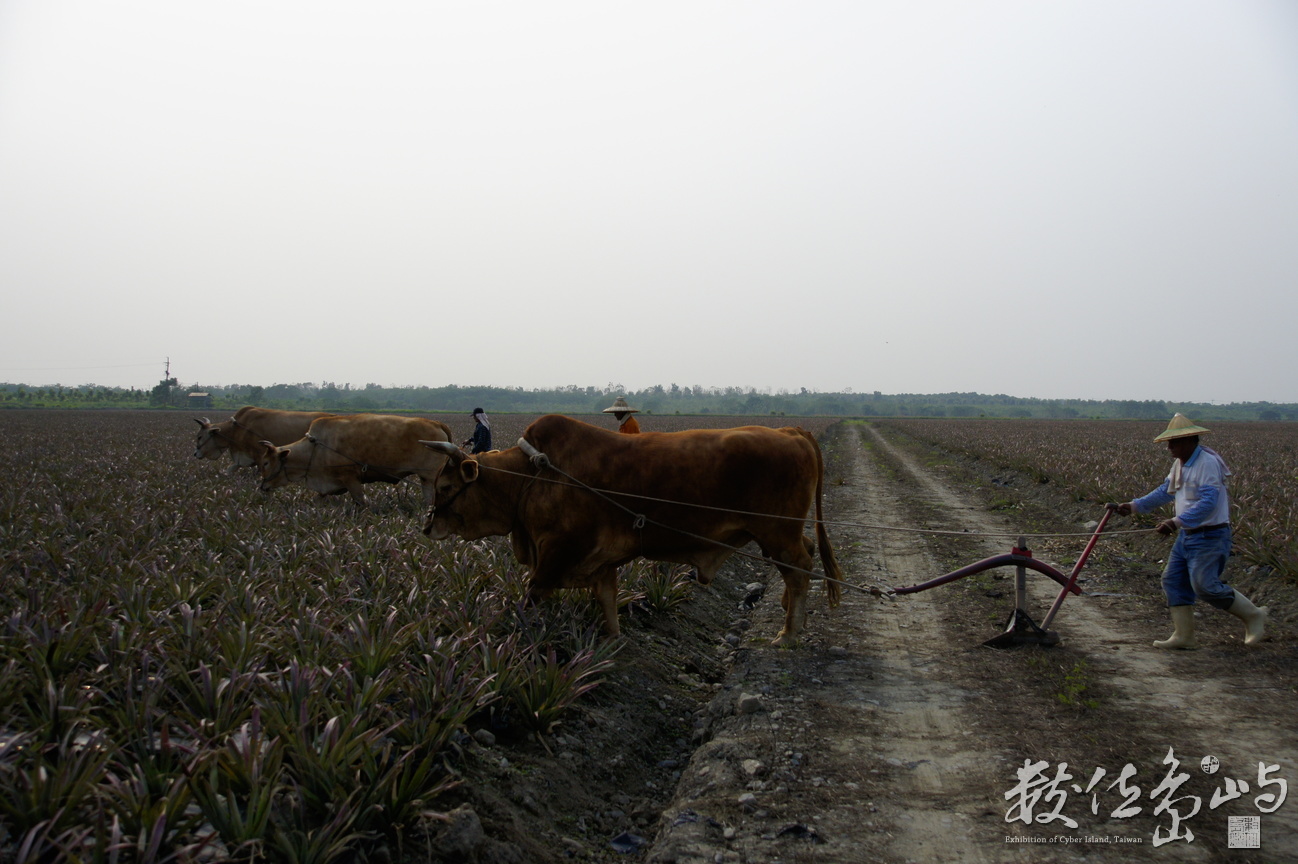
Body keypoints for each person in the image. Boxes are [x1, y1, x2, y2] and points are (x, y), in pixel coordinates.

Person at [1113, 413, 1267, 649]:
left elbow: (1208, 502)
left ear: (1189, 440)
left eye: (1173, 443)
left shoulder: (1206, 463)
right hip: (1189, 534)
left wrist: (1175, 522)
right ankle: (1184, 636)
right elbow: (1166, 490)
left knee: (1205, 586)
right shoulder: (1181, 463)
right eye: (1168, 443)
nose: (1169, 448)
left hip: (1211, 535)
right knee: (1173, 580)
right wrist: (1133, 506)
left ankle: (1254, 615)